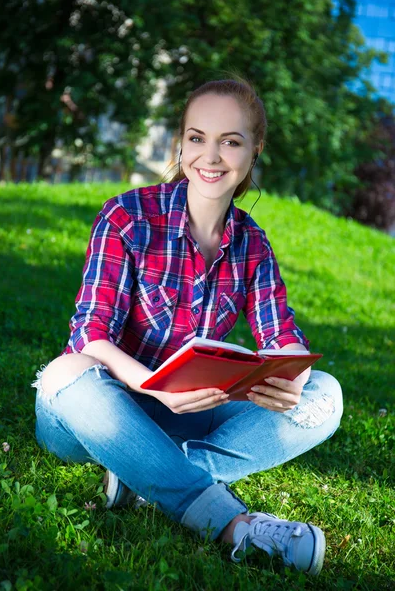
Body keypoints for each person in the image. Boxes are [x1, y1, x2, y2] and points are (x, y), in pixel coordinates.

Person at [32, 77, 343, 576]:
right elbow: (90, 333)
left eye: (231, 141)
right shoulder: (127, 217)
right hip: (97, 411)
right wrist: (152, 387)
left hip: (188, 414)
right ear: (181, 143)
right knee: (61, 374)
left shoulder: (252, 244)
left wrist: (293, 378)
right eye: (198, 138)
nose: (211, 156)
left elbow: (281, 333)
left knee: (325, 396)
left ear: (253, 150)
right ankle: (233, 526)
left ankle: (143, 478)